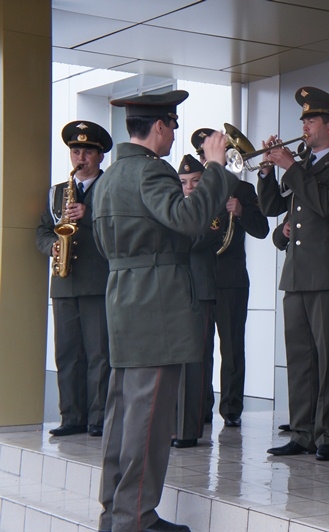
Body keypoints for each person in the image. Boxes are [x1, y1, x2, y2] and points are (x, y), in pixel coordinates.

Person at [92, 90, 240, 532]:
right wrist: (214, 166)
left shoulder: (109, 177)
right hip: (156, 304)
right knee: (149, 420)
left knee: (123, 416)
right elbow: (191, 220)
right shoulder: (151, 172)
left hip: (123, 297)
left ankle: (115, 513)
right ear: (159, 126)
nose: (175, 134)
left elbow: (129, 241)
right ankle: (135, 517)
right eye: (173, 126)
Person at [257, 86, 329, 461]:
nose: (303, 125)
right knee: (300, 358)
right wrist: (268, 171)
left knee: (328, 358)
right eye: (302, 119)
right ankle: (302, 432)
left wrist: (291, 167)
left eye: (310, 119)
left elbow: (328, 205)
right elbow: (271, 206)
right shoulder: (301, 165)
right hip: (297, 274)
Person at [36, 120, 113, 438]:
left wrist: (90, 217)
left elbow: (118, 232)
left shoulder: (111, 189)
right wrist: (51, 245)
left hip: (97, 282)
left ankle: (98, 418)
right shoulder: (57, 193)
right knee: (67, 352)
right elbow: (41, 230)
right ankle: (71, 416)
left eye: (87, 152)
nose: (80, 158)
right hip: (64, 283)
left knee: (99, 353)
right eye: (76, 151)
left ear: (99, 157)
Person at [191, 128, 270, 428]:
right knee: (200, 349)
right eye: (201, 154)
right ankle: (201, 407)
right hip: (200, 280)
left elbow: (262, 230)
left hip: (231, 280)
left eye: (208, 153)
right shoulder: (195, 190)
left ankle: (232, 409)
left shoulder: (242, 190)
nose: (204, 159)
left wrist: (241, 213)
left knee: (232, 348)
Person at [171, 154, 224, 449]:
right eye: (183, 183)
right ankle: (173, 425)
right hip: (176, 292)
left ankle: (188, 429)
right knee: (175, 363)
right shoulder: (179, 211)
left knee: (195, 363)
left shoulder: (212, 208)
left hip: (200, 291)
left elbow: (192, 242)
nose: (189, 188)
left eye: (195, 182)